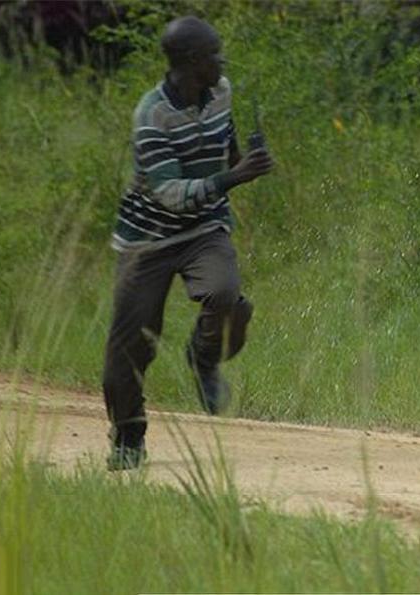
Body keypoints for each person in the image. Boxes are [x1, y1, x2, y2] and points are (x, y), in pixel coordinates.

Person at [102, 16, 273, 470]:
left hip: (203, 228)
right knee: (131, 345)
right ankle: (128, 437)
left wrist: (246, 159)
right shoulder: (151, 115)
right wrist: (234, 176)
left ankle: (204, 360)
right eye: (215, 54)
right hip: (148, 238)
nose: (223, 61)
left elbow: (224, 148)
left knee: (224, 293)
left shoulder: (220, 91)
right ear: (192, 62)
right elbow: (170, 193)